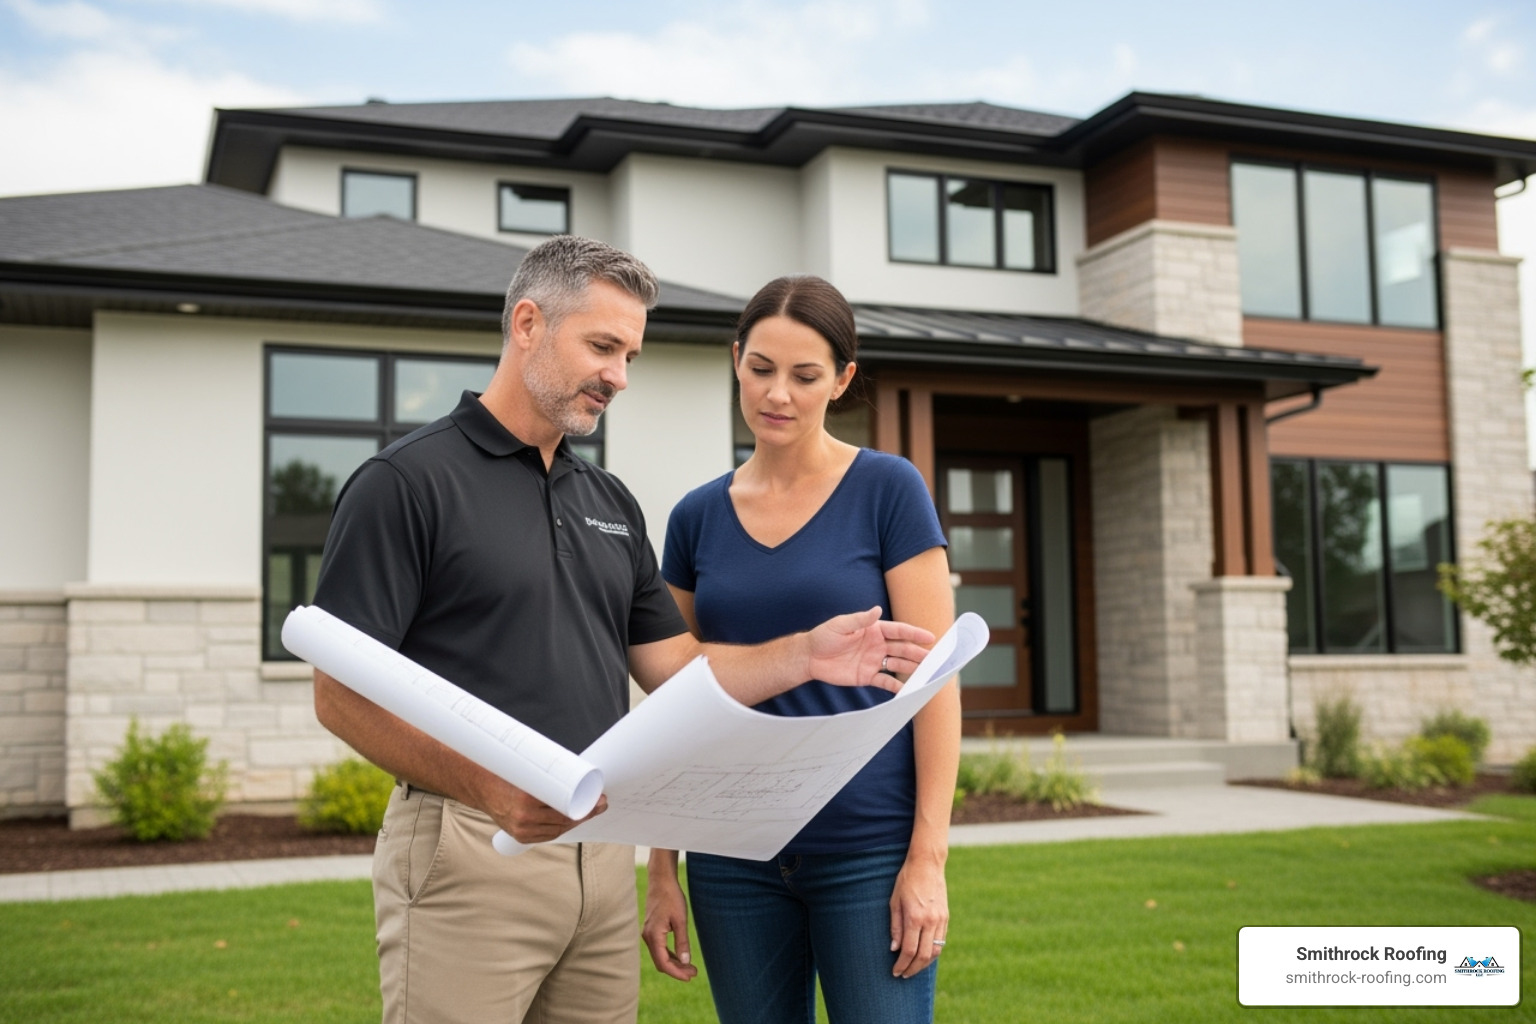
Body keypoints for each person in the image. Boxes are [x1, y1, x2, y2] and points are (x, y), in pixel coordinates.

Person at [307, 237, 935, 1024]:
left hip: (601, 853)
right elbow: (339, 695)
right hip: (470, 843)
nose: (619, 375)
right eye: (603, 346)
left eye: (630, 354)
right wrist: (493, 791)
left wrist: (806, 655)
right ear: (528, 324)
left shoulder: (607, 501)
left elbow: (680, 672)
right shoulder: (406, 484)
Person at [642, 275, 960, 1024]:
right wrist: (662, 867)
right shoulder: (695, 518)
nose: (777, 393)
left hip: (867, 851)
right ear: (735, 362)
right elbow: (676, 696)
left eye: (804, 375)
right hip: (730, 857)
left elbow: (935, 684)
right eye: (760, 369)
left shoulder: (888, 490)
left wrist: (928, 858)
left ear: (842, 380)